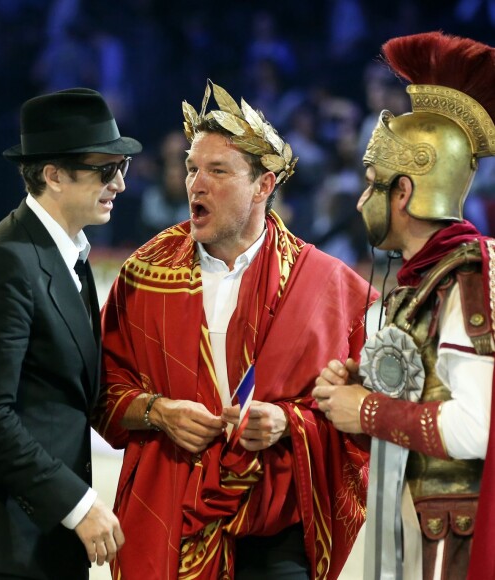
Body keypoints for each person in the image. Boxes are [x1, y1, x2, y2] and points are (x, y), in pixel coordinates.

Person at [93, 80, 373, 579]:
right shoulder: (144, 273)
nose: (196, 184)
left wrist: (290, 423)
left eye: (218, 171)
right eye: (191, 168)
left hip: (279, 522)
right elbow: (99, 385)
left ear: (263, 185)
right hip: (171, 514)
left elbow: (368, 405)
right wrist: (158, 412)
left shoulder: (329, 286)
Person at [0, 87, 142, 580]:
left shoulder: (69, 256)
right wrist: (78, 504)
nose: (120, 184)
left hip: (41, 537)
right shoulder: (5, 261)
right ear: (53, 175)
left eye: (121, 168)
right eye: (105, 169)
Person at [313, 32, 495, 580]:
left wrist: (366, 410)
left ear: (406, 193)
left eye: (374, 185)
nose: (363, 200)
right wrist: (359, 389)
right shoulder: (423, 280)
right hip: (418, 532)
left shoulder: (466, 277)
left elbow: (477, 427)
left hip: (453, 544)